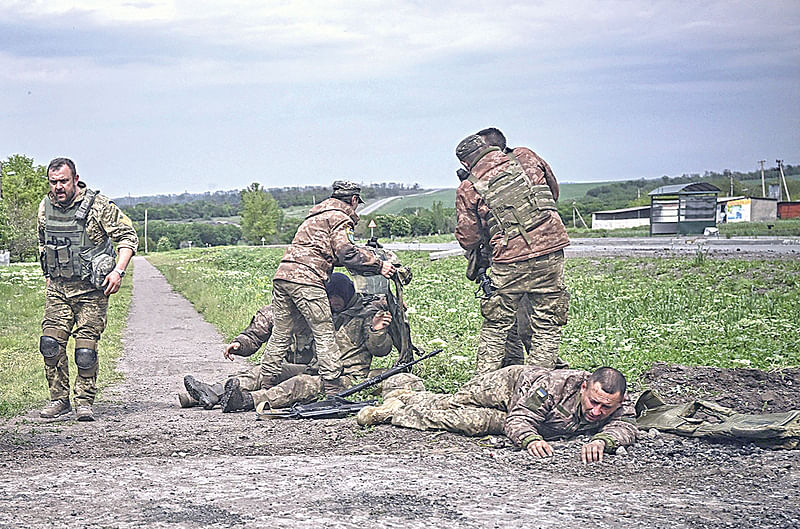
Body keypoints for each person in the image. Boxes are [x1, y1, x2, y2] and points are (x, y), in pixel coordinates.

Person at [180, 273, 420, 412]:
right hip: (314, 366)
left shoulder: (366, 314)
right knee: (267, 370)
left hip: (345, 375)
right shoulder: (319, 311)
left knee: (300, 384)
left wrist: (377, 330)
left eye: (338, 299)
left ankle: (247, 401)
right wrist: (242, 344)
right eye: (330, 298)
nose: (333, 303)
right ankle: (210, 393)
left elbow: (381, 350)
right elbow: (271, 319)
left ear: (347, 297)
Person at [258, 181, 396, 397]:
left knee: (281, 332)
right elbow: (346, 253)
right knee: (323, 330)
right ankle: (332, 388)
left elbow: (326, 253)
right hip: (307, 279)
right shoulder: (341, 217)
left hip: (283, 274)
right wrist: (379, 264)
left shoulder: (315, 216)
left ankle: (265, 382)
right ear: (353, 200)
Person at [454, 130, 570, 375]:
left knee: (496, 324)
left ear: (466, 163)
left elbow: (469, 238)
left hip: (509, 259)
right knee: (547, 324)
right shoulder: (525, 156)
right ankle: (537, 386)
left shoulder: (468, 187)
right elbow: (552, 192)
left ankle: (482, 387)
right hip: (551, 248)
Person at [358, 366, 636, 463]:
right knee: (453, 406)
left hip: (514, 413)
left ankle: (397, 408)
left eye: (605, 408)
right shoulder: (555, 386)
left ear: (619, 400)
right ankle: (401, 403)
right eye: (593, 402)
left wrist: (603, 441)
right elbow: (520, 419)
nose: (596, 411)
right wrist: (529, 439)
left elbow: (626, 426)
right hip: (508, 387)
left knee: (468, 422)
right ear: (585, 386)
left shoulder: (619, 400)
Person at [37, 157, 139, 421]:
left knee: (85, 350)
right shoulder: (45, 207)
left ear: (75, 178)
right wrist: (48, 274)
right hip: (59, 289)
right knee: (50, 343)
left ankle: (84, 402)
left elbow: (128, 237)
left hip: (92, 291)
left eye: (63, 181)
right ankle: (59, 400)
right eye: (53, 182)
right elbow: (43, 241)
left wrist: (118, 270)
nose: (58, 187)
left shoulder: (98, 206)